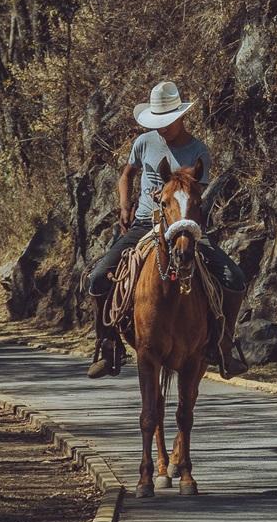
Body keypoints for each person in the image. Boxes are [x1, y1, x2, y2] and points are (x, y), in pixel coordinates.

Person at [86, 80, 248, 380]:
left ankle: (223, 347)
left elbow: (194, 196)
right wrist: (124, 205)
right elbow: (126, 175)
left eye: (167, 121)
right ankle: (108, 346)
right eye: (157, 122)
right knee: (97, 278)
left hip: (185, 226)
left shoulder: (198, 151)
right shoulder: (144, 143)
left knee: (233, 278)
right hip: (145, 224)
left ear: (180, 116)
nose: (161, 128)